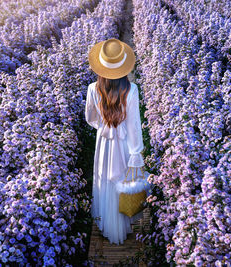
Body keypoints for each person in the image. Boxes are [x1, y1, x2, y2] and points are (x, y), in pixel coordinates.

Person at [85, 38, 145, 245]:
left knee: (104, 179)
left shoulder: (93, 88)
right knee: (123, 179)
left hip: (104, 142)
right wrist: (136, 152)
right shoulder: (131, 89)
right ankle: (122, 225)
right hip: (125, 142)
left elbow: (90, 118)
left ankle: (107, 225)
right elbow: (134, 125)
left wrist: (104, 127)